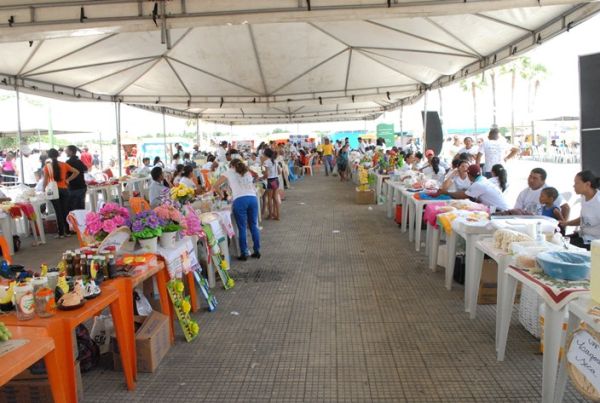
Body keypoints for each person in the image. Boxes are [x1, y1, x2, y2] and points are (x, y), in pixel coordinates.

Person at [213, 159, 260, 260]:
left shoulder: (229, 172)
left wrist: (221, 195)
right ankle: (257, 251)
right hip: (252, 198)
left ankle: (244, 253)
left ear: (231, 165)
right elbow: (257, 175)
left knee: (242, 228)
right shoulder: (247, 171)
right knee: (253, 226)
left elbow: (215, 185)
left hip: (240, 200)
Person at [439, 164, 510, 211]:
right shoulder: (484, 180)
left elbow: (463, 195)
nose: (464, 168)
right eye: (462, 166)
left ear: (469, 175)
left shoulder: (478, 184)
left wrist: (446, 193)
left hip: (499, 211)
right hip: (501, 208)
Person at [43, 148, 80, 238]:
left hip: (53, 191)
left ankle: (61, 233)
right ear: (58, 155)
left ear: (49, 156)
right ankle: (67, 231)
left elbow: (45, 181)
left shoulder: (47, 167)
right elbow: (76, 172)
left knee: (58, 212)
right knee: (65, 211)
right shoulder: (64, 164)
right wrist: (67, 180)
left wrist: (44, 190)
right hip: (64, 190)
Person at [560, 171, 600, 249]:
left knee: (563, 246)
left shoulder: (598, 202)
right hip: (583, 236)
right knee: (558, 241)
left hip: (595, 242)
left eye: (577, 183)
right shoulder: (584, 197)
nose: (574, 186)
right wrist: (566, 223)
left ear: (587, 184)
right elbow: (583, 219)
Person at [65, 145, 88, 212]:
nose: (65, 152)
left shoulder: (68, 162)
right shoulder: (79, 161)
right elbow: (86, 169)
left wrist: (67, 180)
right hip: (82, 186)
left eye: (67, 151)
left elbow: (66, 174)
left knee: (73, 209)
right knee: (81, 207)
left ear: (71, 152)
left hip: (73, 188)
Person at [262, 148, 281, 220]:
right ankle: (277, 215)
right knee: (275, 198)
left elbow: (266, 174)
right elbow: (279, 172)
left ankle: (270, 215)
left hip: (270, 180)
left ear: (266, 154)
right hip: (276, 180)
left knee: (269, 198)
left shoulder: (266, 162)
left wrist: (262, 177)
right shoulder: (275, 161)